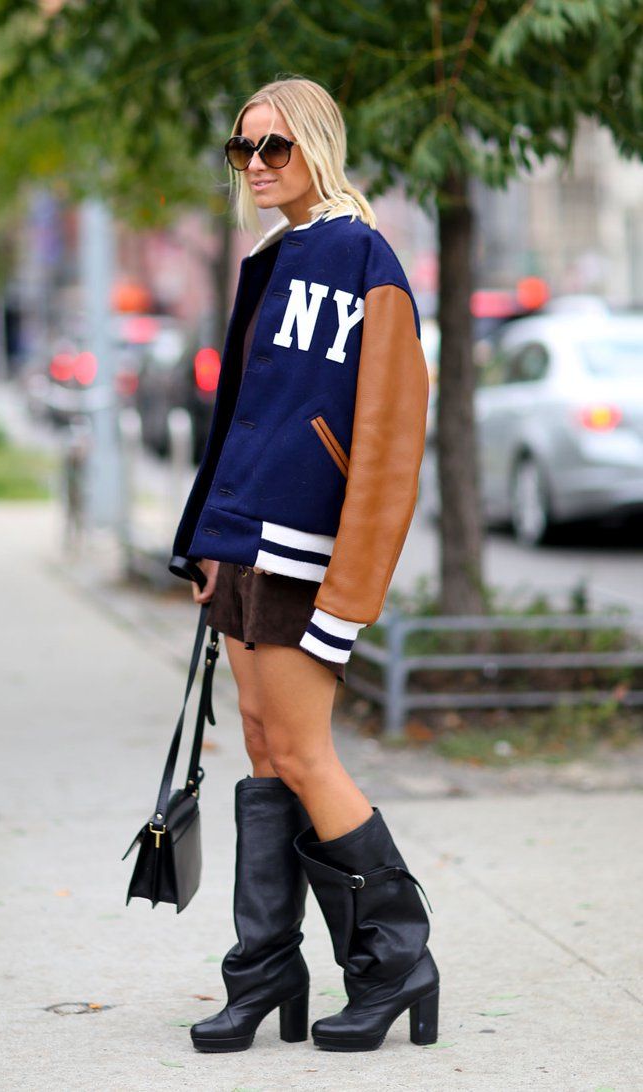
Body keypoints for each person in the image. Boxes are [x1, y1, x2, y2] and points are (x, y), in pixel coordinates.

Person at [168, 76, 439, 1054]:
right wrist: (202, 539)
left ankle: (396, 961)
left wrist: (347, 595)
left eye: (273, 147)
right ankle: (265, 971)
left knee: (306, 753)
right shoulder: (270, 256)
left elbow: (387, 443)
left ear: (316, 146)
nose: (255, 166)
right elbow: (239, 415)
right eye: (242, 150)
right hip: (240, 542)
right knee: (262, 751)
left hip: (302, 553)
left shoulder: (360, 255)